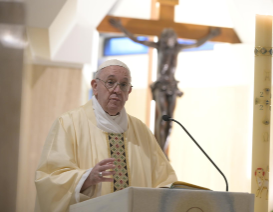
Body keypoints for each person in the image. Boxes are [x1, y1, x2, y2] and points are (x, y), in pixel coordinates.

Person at [34, 59, 177, 212]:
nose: (117, 90)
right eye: (110, 82)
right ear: (95, 86)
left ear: (128, 92)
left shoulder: (141, 131)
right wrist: (86, 178)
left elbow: (165, 180)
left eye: (123, 85)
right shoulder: (68, 124)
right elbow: (49, 179)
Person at [110, 18, 220, 154]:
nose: (169, 39)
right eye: (166, 37)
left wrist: (211, 35)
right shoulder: (159, 47)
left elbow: (197, 44)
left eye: (171, 37)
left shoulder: (178, 48)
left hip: (172, 86)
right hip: (161, 85)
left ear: (174, 38)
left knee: (171, 119)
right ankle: (159, 149)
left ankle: (163, 150)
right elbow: (137, 40)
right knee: (163, 115)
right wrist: (121, 27)